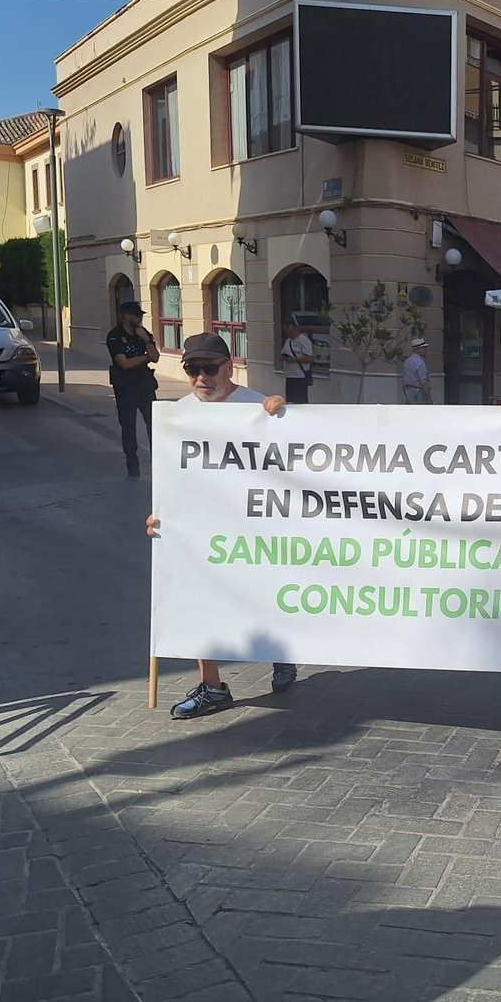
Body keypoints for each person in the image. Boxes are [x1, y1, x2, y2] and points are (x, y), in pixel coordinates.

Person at [145, 333, 295, 717]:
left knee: (264, 596)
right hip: (202, 530)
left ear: (229, 367)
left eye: (210, 369)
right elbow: (170, 479)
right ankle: (212, 686)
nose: (201, 378)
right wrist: (158, 516)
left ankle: (282, 652)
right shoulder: (177, 415)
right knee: (198, 600)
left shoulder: (257, 407)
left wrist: (283, 411)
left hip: (256, 528)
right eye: (193, 369)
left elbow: (296, 456)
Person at [106, 300, 160, 478]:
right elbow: (125, 363)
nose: (140, 318)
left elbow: (156, 357)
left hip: (145, 386)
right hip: (125, 388)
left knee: (154, 426)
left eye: (141, 315)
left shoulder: (143, 335)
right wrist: (145, 358)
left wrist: (146, 340)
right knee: (128, 428)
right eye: (137, 315)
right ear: (126, 316)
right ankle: (132, 464)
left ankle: (159, 463)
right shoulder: (114, 336)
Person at [279, 317, 315, 404]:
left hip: (300, 376)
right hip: (290, 375)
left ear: (295, 329)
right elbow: (283, 353)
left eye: (290, 331)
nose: (288, 334)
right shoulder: (288, 341)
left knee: (300, 402)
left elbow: (310, 358)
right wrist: (284, 358)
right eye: (286, 332)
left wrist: (294, 360)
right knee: (291, 402)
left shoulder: (303, 340)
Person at [402, 337, 431, 404]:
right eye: (423, 348)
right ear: (417, 349)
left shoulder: (407, 361)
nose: (426, 349)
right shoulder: (420, 362)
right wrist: (429, 398)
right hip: (418, 391)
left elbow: (403, 380)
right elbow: (423, 382)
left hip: (408, 391)